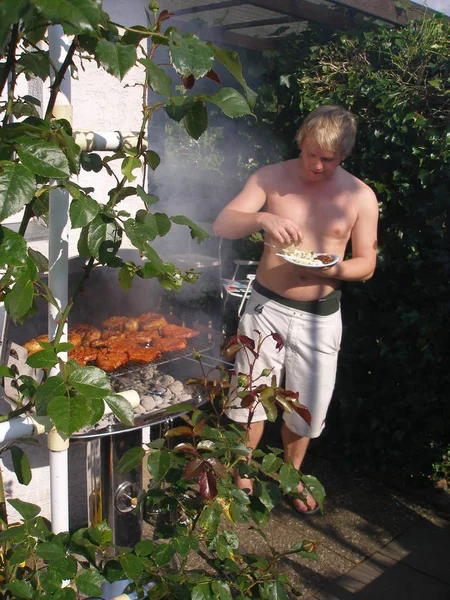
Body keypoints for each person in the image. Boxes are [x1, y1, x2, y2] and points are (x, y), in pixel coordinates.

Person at [213, 104, 379, 514]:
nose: (318, 166)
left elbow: (367, 264)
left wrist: (333, 267)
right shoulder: (269, 178)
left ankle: (293, 476)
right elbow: (223, 223)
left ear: (344, 155)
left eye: (329, 159)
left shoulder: (360, 196)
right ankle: (242, 476)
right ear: (300, 142)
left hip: (320, 316)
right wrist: (262, 219)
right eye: (311, 155)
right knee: (247, 397)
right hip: (266, 306)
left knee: (307, 406)